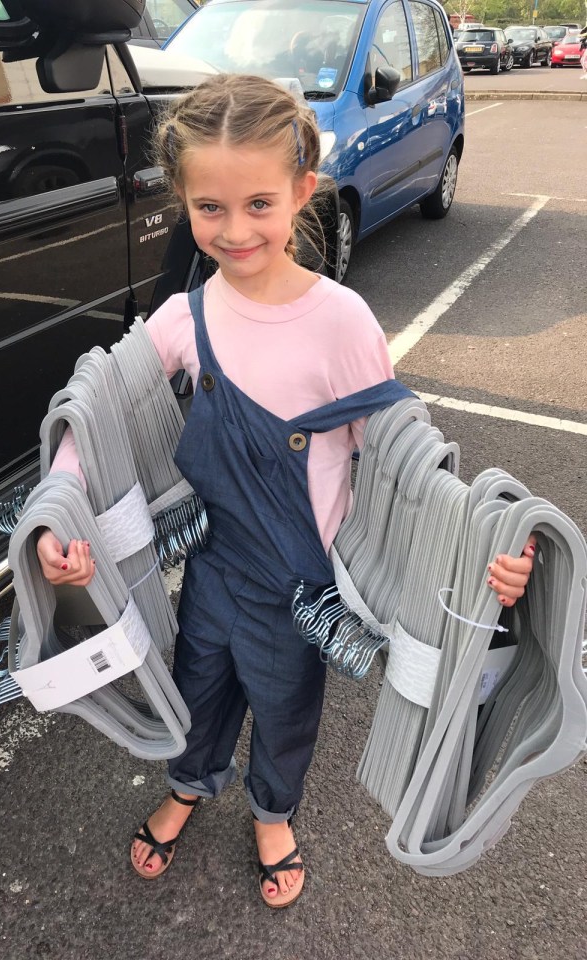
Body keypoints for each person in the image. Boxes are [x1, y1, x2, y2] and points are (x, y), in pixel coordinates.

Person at [35, 75, 535, 908]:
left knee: (287, 707)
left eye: (260, 204)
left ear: (304, 190)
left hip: (305, 586)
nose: (235, 232)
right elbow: (101, 413)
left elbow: (409, 467)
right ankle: (192, 783)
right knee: (198, 688)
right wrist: (59, 507)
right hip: (214, 568)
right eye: (211, 209)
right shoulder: (184, 319)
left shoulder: (341, 323)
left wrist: (484, 555)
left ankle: (274, 810)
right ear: (184, 200)